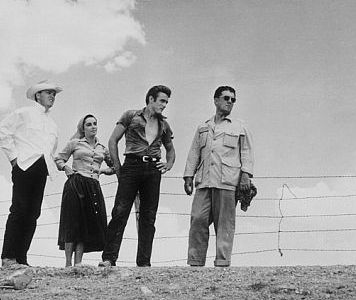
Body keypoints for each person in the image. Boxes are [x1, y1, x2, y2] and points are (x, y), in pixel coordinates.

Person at [99, 85, 176, 267]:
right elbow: (113, 140)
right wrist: (118, 167)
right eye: (162, 101)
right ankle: (109, 258)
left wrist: (168, 164)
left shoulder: (164, 124)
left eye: (166, 102)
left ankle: (144, 262)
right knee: (119, 212)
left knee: (149, 216)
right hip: (131, 165)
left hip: (153, 169)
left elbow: (171, 150)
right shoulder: (131, 116)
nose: (164, 105)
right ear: (151, 99)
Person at [183, 86, 254, 267]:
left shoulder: (240, 126)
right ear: (216, 100)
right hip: (204, 181)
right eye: (226, 98)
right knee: (198, 219)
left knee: (225, 225)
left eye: (233, 99)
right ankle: (196, 262)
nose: (230, 101)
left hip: (228, 181)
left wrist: (245, 175)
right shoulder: (203, 127)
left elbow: (247, 152)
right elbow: (193, 153)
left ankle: (222, 263)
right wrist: (188, 176)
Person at [0, 80, 63, 267]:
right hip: (24, 166)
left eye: (54, 94)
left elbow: (50, 149)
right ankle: (8, 257)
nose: (52, 96)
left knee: (33, 213)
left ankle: (21, 258)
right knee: (19, 210)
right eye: (48, 92)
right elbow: (2, 129)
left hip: (41, 170)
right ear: (37, 95)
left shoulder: (52, 124)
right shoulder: (24, 113)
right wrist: (13, 158)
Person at [54, 114, 115, 267]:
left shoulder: (102, 148)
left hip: (93, 185)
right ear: (83, 128)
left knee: (85, 223)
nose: (93, 126)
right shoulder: (75, 143)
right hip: (76, 183)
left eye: (95, 123)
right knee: (72, 223)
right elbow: (58, 158)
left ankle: (78, 264)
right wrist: (66, 167)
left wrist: (102, 172)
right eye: (89, 124)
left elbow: (114, 167)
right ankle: (68, 263)